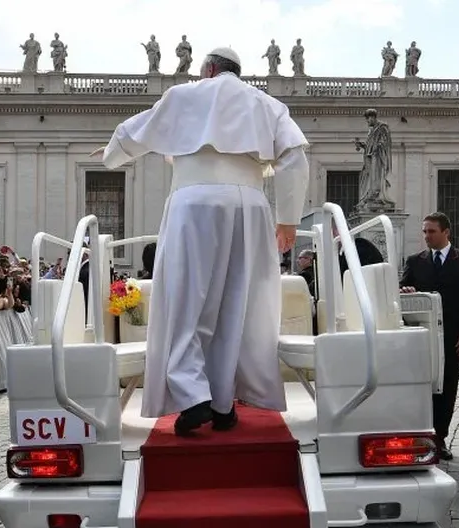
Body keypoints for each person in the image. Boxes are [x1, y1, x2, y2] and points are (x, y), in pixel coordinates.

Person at [94, 47, 310, 435]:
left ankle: (193, 397)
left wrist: (111, 155)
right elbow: (294, 156)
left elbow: (134, 132)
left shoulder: (184, 95)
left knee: (185, 300)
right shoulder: (266, 104)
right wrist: (288, 220)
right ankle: (224, 404)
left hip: (194, 202)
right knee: (236, 304)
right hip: (251, 205)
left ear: (208, 69)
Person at [400, 213, 459, 460]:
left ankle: (440, 437)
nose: (427, 236)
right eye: (424, 232)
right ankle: (420, 436)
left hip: (453, 337)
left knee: (447, 388)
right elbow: (402, 291)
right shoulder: (415, 261)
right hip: (422, 338)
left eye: (431, 231)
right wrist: (406, 289)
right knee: (421, 388)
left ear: (446, 232)